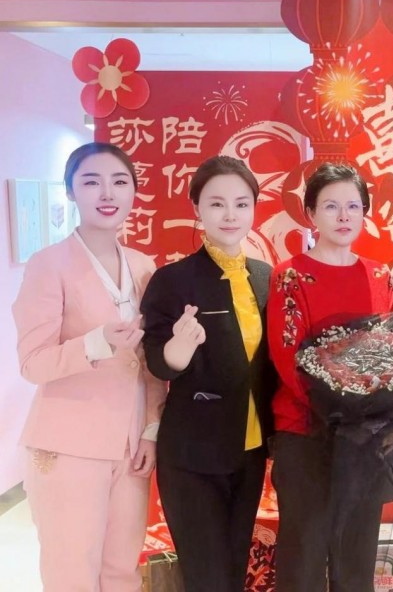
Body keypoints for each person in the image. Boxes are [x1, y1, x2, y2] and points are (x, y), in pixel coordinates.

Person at [12, 142, 166, 591]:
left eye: (119, 182)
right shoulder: (48, 265)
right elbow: (33, 363)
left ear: (133, 192)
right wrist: (96, 342)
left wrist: (151, 428)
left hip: (130, 444)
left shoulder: (142, 266)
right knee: (72, 573)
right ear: (70, 191)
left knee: (122, 569)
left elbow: (151, 361)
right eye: (91, 181)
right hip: (67, 446)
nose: (107, 193)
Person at [140, 155, 277, 592]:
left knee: (234, 571)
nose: (230, 214)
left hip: (249, 451)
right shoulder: (172, 280)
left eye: (241, 203)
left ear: (254, 208)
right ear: (197, 208)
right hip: (192, 454)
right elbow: (156, 361)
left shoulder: (266, 277)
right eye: (217, 204)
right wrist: (178, 349)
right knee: (207, 577)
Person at [266, 162, 393, 592]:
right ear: (311, 214)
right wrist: (342, 410)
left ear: (365, 213)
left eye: (353, 206)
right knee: (304, 555)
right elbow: (288, 357)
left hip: (364, 439)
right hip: (305, 433)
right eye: (331, 206)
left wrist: (373, 410)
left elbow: (390, 352)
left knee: (356, 557)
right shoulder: (290, 274)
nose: (343, 216)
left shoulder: (379, 275)